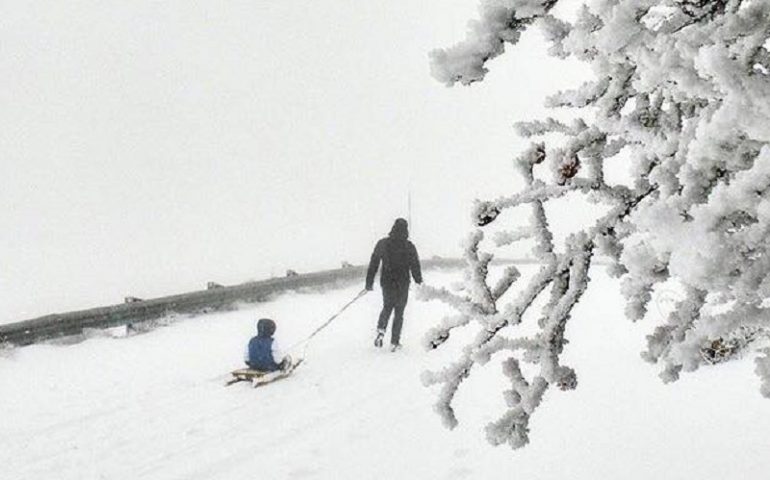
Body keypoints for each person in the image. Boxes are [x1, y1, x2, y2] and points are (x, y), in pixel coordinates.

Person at [365, 218, 422, 351]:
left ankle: (380, 330)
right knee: (399, 312)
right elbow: (415, 266)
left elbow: (374, 263)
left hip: (387, 282)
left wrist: (369, 282)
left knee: (387, 307)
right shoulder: (409, 246)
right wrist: (419, 282)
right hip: (402, 283)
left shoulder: (383, 243)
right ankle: (394, 342)